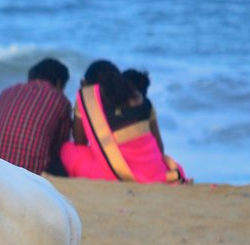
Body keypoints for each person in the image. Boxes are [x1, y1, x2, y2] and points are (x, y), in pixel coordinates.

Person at [59, 59, 188, 183]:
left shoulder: (86, 97)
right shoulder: (143, 100)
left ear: (84, 84)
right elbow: (159, 149)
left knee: (67, 150)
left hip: (116, 173)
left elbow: (80, 141)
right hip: (156, 173)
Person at [0, 58, 72, 176]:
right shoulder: (61, 100)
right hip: (30, 172)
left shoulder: (7, 92)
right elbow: (60, 146)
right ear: (59, 83)